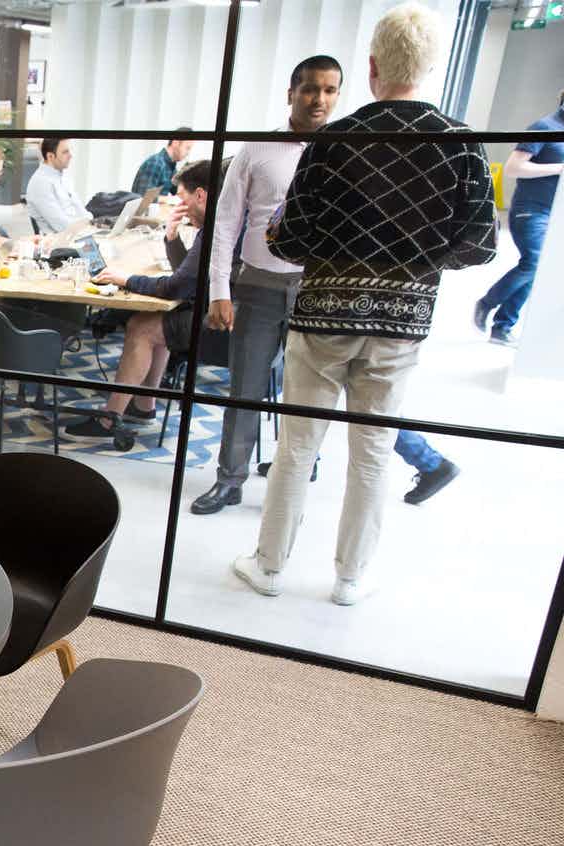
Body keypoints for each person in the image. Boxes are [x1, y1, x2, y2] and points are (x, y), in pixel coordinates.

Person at [233, 3, 496, 607]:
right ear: (430, 67)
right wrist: (419, 263)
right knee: (373, 452)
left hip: (324, 312)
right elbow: (480, 245)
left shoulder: (333, 141)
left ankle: (269, 565)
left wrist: (328, 248)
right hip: (401, 323)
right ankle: (350, 579)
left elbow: (290, 238)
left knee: (298, 446)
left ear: (372, 66)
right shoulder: (461, 145)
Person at [189, 56, 343, 516]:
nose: (319, 99)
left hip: (316, 285)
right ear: (291, 92)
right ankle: (230, 479)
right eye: (310, 89)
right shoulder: (256, 150)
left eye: (330, 90)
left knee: (309, 390)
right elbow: (225, 221)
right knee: (246, 388)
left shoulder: (340, 152)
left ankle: (296, 470)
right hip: (256, 284)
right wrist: (220, 287)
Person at [64, 160, 216, 438]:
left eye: (181, 198)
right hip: (210, 310)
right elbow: (188, 276)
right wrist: (171, 237)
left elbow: (176, 287)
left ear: (201, 195)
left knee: (141, 327)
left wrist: (126, 280)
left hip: (215, 323)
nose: (177, 206)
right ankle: (144, 405)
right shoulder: (214, 226)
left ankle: (111, 418)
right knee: (150, 321)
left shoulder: (215, 231)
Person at [474, 89, 563, 347]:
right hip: (530, 212)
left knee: (535, 269)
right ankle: (487, 303)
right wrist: (559, 168)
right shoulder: (545, 127)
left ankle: (502, 327)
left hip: (554, 214)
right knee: (534, 262)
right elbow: (514, 168)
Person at [26, 138, 91, 235]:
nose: (70, 156)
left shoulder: (63, 177)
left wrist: (93, 225)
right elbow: (62, 225)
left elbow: (81, 211)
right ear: (50, 156)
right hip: (61, 241)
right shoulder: (40, 183)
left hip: (78, 233)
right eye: (65, 152)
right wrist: (87, 230)